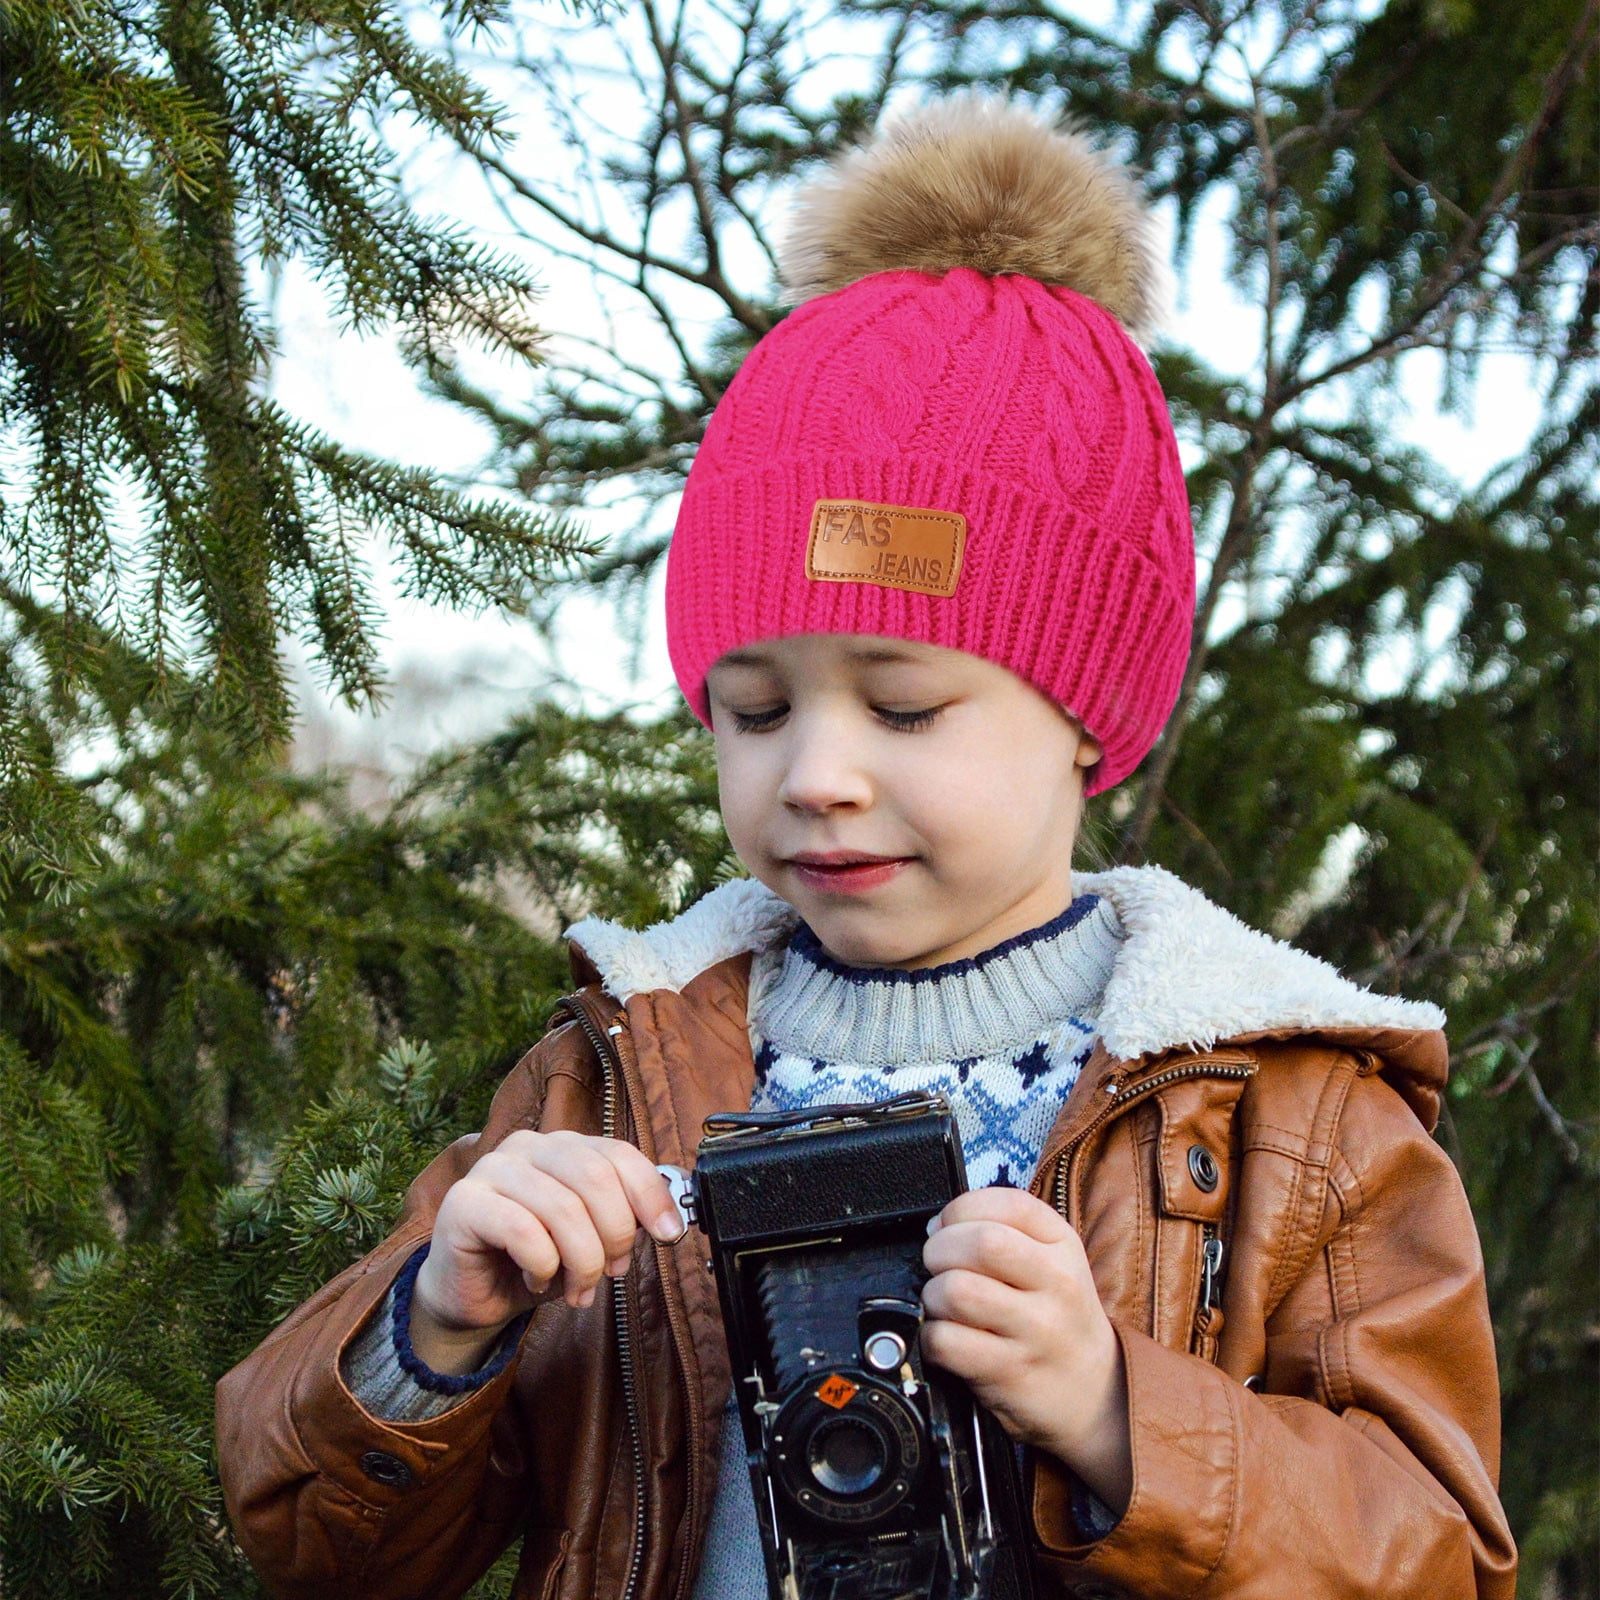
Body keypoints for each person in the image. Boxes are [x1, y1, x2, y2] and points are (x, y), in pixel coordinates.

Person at [215, 97, 1517, 1600]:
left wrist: (1117, 1414)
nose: (818, 775)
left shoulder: (1289, 1116)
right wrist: (437, 1326)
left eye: (905, 707)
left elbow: (1438, 1556)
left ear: (1090, 722)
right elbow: (314, 1542)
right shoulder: (617, 1079)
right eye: (754, 709)